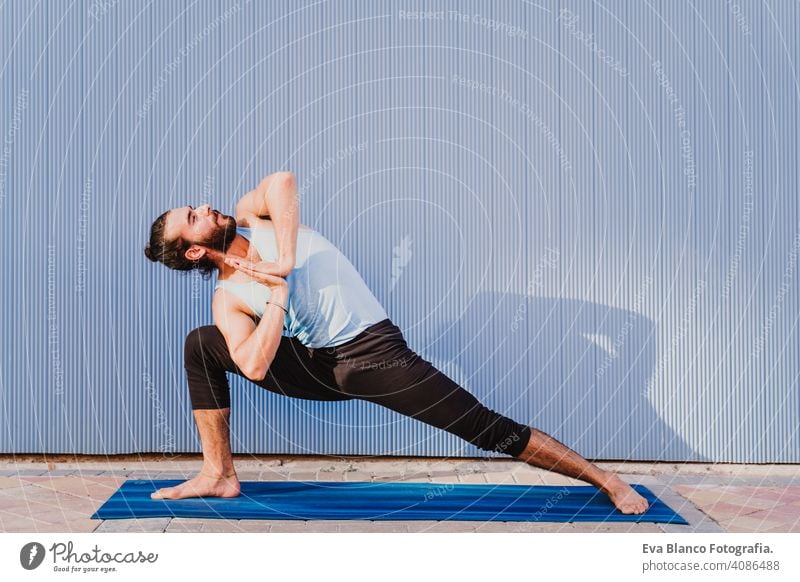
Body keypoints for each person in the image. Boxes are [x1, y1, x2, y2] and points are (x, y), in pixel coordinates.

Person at [143, 171, 649, 514]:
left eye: (194, 206)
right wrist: (277, 296)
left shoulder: (254, 217)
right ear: (193, 252)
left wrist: (283, 262)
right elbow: (253, 366)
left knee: (486, 429)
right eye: (194, 216)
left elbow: (282, 181)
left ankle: (604, 479)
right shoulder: (228, 297)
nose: (205, 206)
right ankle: (218, 474)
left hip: (377, 355)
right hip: (321, 368)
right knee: (201, 343)